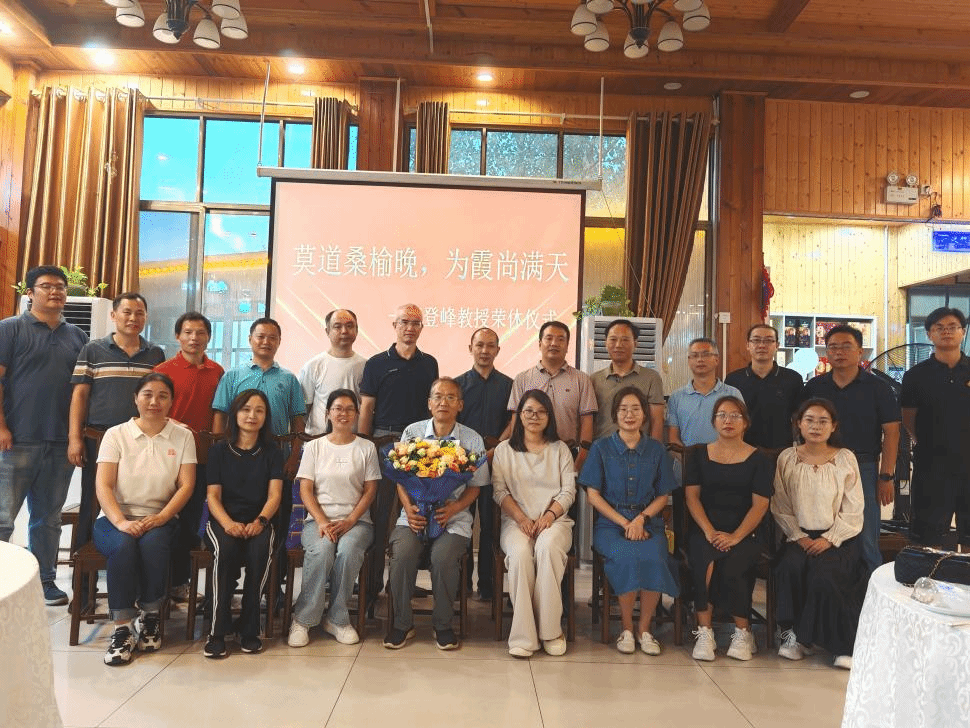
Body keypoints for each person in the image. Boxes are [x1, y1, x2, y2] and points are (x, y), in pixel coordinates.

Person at [93, 373, 196, 666]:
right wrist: (121, 522)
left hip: (161, 517)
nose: (154, 401)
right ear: (135, 398)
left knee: (153, 544)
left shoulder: (183, 436)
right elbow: (103, 485)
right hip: (114, 518)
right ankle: (123, 629)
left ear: (172, 402)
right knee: (123, 545)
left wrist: (162, 516)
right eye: (148, 394)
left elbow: (186, 485)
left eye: (163, 396)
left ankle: (151, 617)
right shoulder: (116, 434)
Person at [0, 266, 87, 605]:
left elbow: (81, 392)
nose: (55, 292)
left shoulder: (77, 337)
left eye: (60, 287)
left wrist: (75, 437)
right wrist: (1, 427)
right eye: (47, 286)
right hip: (17, 439)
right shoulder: (10, 329)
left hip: (60, 442)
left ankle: (45, 581)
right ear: (30, 292)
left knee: (48, 519)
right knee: (4, 517)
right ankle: (4, 582)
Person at [384, 377, 488, 651]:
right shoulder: (412, 432)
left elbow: (475, 487)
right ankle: (402, 623)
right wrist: (408, 507)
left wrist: (453, 508)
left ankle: (442, 625)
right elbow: (401, 479)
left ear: (460, 405)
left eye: (451, 397)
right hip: (414, 515)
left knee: (443, 558)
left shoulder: (472, 439)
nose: (444, 402)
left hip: (452, 519)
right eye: (438, 397)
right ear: (429, 403)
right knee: (402, 553)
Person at [579, 386, 679, 655]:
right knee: (626, 557)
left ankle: (644, 629)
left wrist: (641, 519)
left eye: (635, 409)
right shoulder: (601, 448)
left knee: (654, 556)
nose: (629, 414)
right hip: (610, 525)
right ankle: (626, 628)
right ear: (615, 414)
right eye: (623, 409)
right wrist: (626, 524)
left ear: (645, 414)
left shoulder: (657, 450)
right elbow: (593, 495)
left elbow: (663, 495)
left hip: (649, 523)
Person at [771, 398, 866, 670]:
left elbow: (854, 507)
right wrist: (798, 535)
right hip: (798, 536)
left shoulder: (845, 458)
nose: (816, 426)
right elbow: (780, 503)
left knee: (826, 575)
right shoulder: (787, 458)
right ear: (798, 424)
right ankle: (794, 637)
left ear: (833, 426)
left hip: (838, 539)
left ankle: (841, 645)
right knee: (790, 568)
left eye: (823, 421)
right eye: (809, 420)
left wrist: (830, 539)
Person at [211, 317, 305, 584]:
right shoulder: (233, 376)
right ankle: (227, 583)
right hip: (237, 462)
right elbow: (220, 416)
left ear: (279, 342)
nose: (266, 342)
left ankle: (273, 587)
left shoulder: (289, 379)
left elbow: (298, 420)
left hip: (277, 461)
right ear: (250, 339)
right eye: (261, 336)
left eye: (272, 337)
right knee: (233, 520)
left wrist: (294, 457)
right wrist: (219, 451)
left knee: (278, 522)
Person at [69, 293, 166, 552]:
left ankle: (130, 553)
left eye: (139, 313)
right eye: (127, 312)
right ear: (114, 315)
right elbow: (80, 395)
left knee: (136, 497)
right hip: (99, 438)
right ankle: (86, 561)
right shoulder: (93, 350)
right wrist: (75, 438)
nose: (133, 318)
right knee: (93, 497)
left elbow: (160, 395)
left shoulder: (155, 354)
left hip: (141, 440)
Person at [358, 304, 439, 609]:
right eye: (404, 322)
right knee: (381, 514)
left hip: (419, 445)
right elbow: (367, 407)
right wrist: (364, 444)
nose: (410, 328)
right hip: (383, 441)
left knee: (413, 513)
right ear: (394, 325)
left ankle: (402, 581)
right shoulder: (377, 363)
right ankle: (371, 585)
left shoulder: (429, 363)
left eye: (416, 323)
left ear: (421, 328)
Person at [803, 324, 900, 574]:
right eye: (833, 347)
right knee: (823, 529)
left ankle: (870, 593)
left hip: (863, 467)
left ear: (860, 352)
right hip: (822, 466)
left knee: (867, 537)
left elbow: (892, 432)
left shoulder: (878, 387)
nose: (839, 352)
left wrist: (886, 476)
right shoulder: (814, 387)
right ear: (826, 352)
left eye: (846, 346)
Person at [683, 396, 773, 662]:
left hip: (746, 532)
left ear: (746, 422)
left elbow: (760, 505)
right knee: (705, 561)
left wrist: (735, 536)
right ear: (713, 422)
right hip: (706, 529)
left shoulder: (760, 459)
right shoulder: (698, 454)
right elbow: (692, 497)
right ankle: (704, 632)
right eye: (722, 415)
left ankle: (743, 633)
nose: (728, 420)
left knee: (734, 563)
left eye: (735, 415)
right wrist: (709, 532)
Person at [288, 389, 378, 648]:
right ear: (327, 413)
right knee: (323, 549)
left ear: (357, 414)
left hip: (357, 522)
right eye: (337, 408)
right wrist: (321, 521)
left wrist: (350, 521)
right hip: (318, 520)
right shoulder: (314, 446)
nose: (343, 413)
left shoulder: (367, 447)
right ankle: (303, 619)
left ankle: (337, 618)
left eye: (350, 409)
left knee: (348, 550)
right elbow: (305, 489)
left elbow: (370, 490)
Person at [492, 389, 576, 658]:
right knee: (519, 554)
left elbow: (568, 492)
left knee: (547, 549)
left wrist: (549, 516)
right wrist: (521, 519)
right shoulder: (504, 450)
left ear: (549, 417)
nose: (534, 416)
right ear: (519, 415)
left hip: (555, 522)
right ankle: (524, 636)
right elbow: (499, 492)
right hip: (516, 522)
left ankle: (550, 631)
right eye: (528, 411)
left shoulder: (560, 449)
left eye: (541, 412)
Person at [202, 389, 283, 658]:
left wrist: (261, 521)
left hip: (259, 520)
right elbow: (213, 497)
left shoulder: (272, 451)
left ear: (266, 416)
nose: (252, 416)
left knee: (260, 552)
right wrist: (228, 523)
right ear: (235, 413)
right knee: (225, 551)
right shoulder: (218, 451)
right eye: (246, 409)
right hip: (222, 521)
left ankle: (249, 629)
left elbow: (275, 496)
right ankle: (217, 631)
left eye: (259, 410)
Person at [154, 311, 224, 600]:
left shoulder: (217, 371)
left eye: (200, 333)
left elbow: (220, 413)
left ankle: (179, 582)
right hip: (166, 457)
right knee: (162, 518)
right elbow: (151, 411)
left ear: (209, 337)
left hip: (202, 458)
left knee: (191, 521)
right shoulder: (162, 370)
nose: (194, 338)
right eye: (188, 332)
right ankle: (155, 585)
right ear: (178, 336)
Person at [901, 307, 970, 549]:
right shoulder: (915, 376)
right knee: (928, 538)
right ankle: (930, 573)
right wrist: (927, 442)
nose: (946, 332)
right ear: (929, 334)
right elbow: (908, 418)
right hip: (931, 465)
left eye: (952, 327)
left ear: (963, 332)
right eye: (939, 328)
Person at [455, 327, 513, 601]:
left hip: (496, 463)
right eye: (479, 345)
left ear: (498, 350)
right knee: (462, 521)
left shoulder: (509, 385)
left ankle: (488, 586)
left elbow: (514, 422)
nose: (485, 351)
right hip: (461, 468)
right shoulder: (457, 385)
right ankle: (462, 584)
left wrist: (494, 449)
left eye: (491, 346)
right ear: (470, 348)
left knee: (491, 525)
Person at [502, 321, 597, 471]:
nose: (554, 343)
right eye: (549, 338)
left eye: (560, 339)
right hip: (528, 456)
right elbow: (516, 420)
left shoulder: (582, 379)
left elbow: (587, 421)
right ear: (540, 344)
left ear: (567, 346)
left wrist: (579, 462)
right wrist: (517, 454)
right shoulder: (522, 379)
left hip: (568, 455)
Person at [724, 324, 803, 449]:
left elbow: (799, 417)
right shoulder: (733, 379)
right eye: (756, 340)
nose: (761, 345)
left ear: (777, 345)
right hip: (741, 449)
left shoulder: (793, 379)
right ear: (748, 345)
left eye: (768, 341)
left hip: (781, 451)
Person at [590, 319, 664, 442]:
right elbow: (589, 421)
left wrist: (654, 450)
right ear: (605, 343)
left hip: (639, 449)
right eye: (613, 339)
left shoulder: (651, 378)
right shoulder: (594, 380)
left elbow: (656, 421)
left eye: (625, 340)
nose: (618, 345)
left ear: (635, 344)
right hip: (602, 449)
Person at [298, 309, 366, 437]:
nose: (344, 331)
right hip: (318, 439)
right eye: (337, 326)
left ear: (357, 330)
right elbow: (303, 411)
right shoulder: (313, 366)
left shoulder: (366, 366)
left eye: (350, 326)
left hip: (354, 441)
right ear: (327, 331)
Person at [666, 338, 744, 448]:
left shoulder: (733, 394)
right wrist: (688, 456)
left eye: (705, 355)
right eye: (695, 355)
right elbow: (673, 438)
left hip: (725, 457)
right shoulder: (676, 397)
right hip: (687, 457)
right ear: (689, 361)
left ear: (716, 359)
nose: (700, 359)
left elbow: (739, 433)